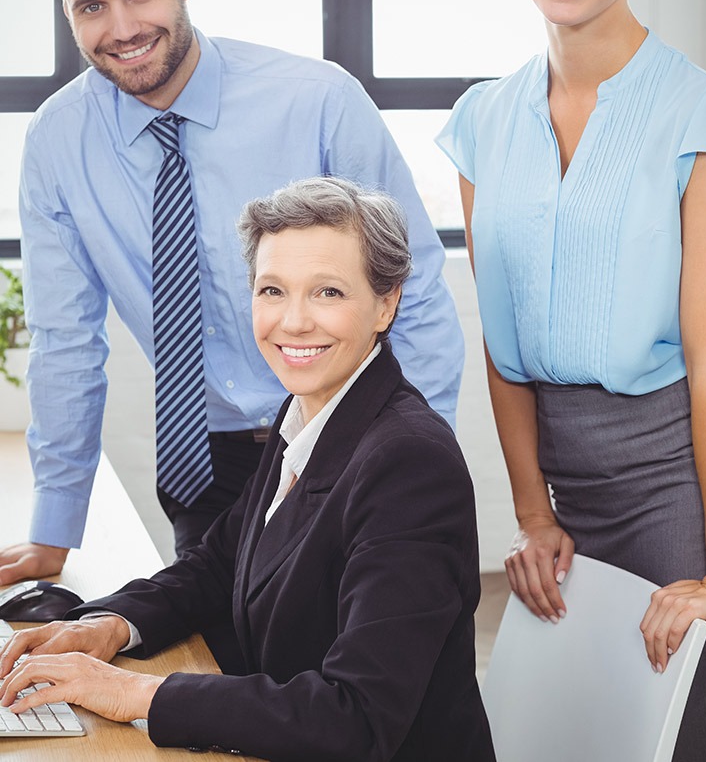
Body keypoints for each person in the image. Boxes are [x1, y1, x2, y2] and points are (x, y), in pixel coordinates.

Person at [0, 0, 463, 588]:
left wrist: (414, 461)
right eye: (90, 6)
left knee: (369, 665)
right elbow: (67, 340)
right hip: (203, 459)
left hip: (346, 431)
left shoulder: (317, 102)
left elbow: (416, 290)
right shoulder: (58, 144)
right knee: (219, 670)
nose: (121, 26)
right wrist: (53, 531)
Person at [437, 0, 706, 762]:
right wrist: (533, 514)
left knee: (695, 733)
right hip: (568, 480)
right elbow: (501, 348)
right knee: (581, 736)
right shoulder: (481, 119)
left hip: (683, 479)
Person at [0, 177, 494, 762]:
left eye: (329, 292)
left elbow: (357, 717)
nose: (294, 322)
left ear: (386, 304)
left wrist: (136, 693)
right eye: (273, 291)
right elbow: (218, 564)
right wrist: (110, 625)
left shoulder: (410, 465)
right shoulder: (307, 412)